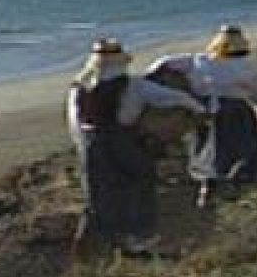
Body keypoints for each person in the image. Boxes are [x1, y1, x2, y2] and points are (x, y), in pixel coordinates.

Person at [67, 38, 208, 257]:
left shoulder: (79, 88)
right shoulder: (134, 85)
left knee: (98, 192)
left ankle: (97, 240)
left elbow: (75, 121)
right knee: (141, 178)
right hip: (120, 137)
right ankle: (136, 236)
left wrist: (82, 144)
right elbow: (172, 97)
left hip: (90, 141)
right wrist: (199, 108)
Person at [187, 24, 257, 208]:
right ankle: (233, 187)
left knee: (210, 149)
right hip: (235, 109)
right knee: (244, 148)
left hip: (208, 109)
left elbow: (167, 63)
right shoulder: (247, 66)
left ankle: (207, 190)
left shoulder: (201, 61)